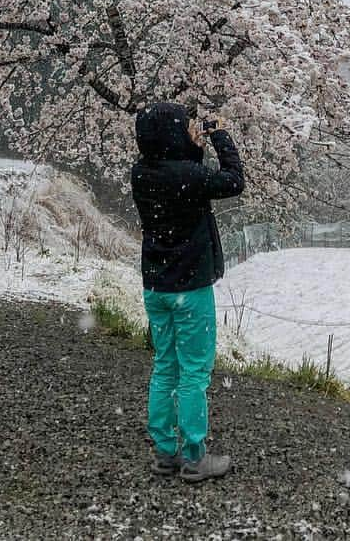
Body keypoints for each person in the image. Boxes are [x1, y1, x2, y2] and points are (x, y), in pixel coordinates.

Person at [130, 101, 245, 483]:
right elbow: (233, 180)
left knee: (165, 366)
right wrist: (219, 136)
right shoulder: (189, 176)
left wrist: (192, 144)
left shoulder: (142, 172)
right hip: (191, 290)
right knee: (194, 373)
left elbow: (183, 170)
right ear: (174, 134)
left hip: (157, 288)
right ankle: (195, 456)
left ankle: (165, 453)